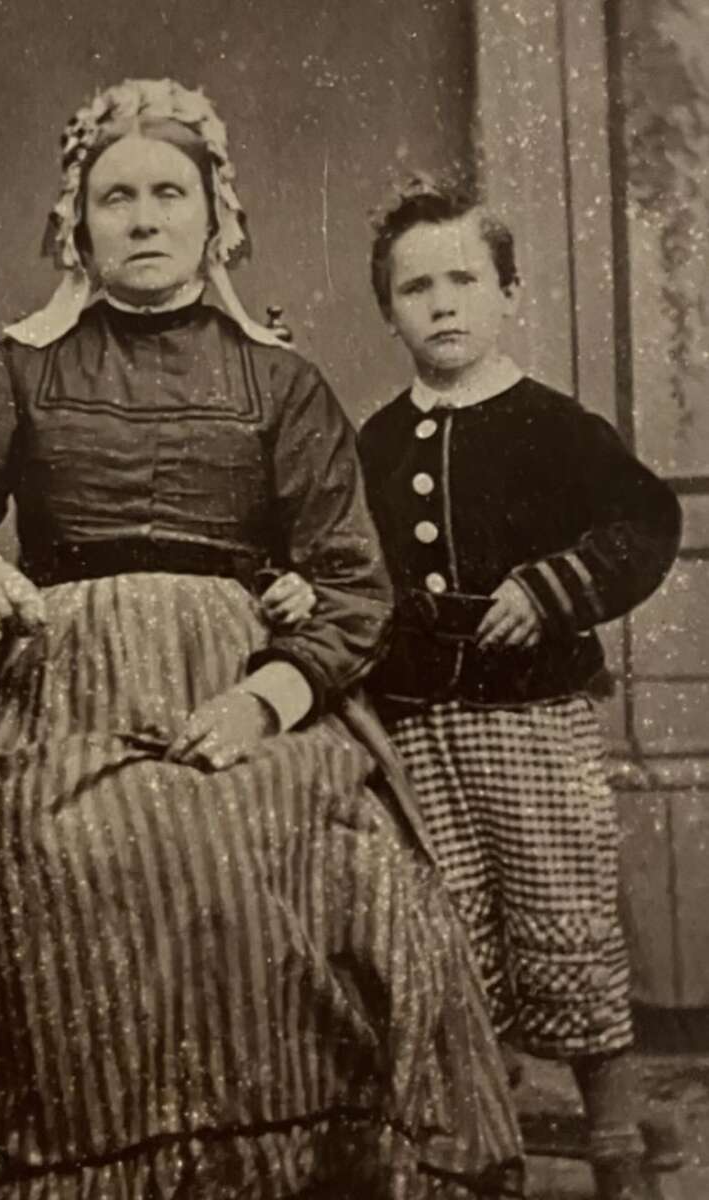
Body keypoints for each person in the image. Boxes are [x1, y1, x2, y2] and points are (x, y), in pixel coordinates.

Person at [0, 87, 523, 1198]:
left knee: (324, 862)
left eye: (167, 196)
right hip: (55, 674)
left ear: (214, 217)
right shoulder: (24, 366)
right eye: (115, 198)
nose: (142, 220)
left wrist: (260, 705)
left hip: (237, 676)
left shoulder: (277, 379)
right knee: (36, 849)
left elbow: (348, 583)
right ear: (75, 225)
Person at [318, 179, 677, 1200]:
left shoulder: (554, 427)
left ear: (507, 291)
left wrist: (549, 588)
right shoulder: (375, 445)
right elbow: (350, 556)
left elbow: (639, 526)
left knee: (562, 914)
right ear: (387, 310)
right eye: (414, 287)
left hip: (531, 720)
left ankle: (611, 1137)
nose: (440, 304)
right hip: (418, 724)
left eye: (462, 279)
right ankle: (481, 1136)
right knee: (451, 928)